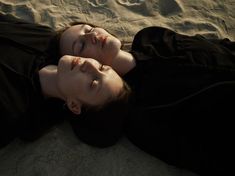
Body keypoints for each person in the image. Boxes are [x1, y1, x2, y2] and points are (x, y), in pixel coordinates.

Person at [59, 23, 235, 175]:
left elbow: (221, 47)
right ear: (79, 63)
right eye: (80, 46)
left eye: (88, 28)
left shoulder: (150, 37)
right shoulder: (142, 115)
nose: (92, 35)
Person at [0, 13, 131, 148]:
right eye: (102, 67)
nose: (90, 65)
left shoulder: (12, 113)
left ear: (74, 105)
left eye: (93, 83)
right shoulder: (47, 40)